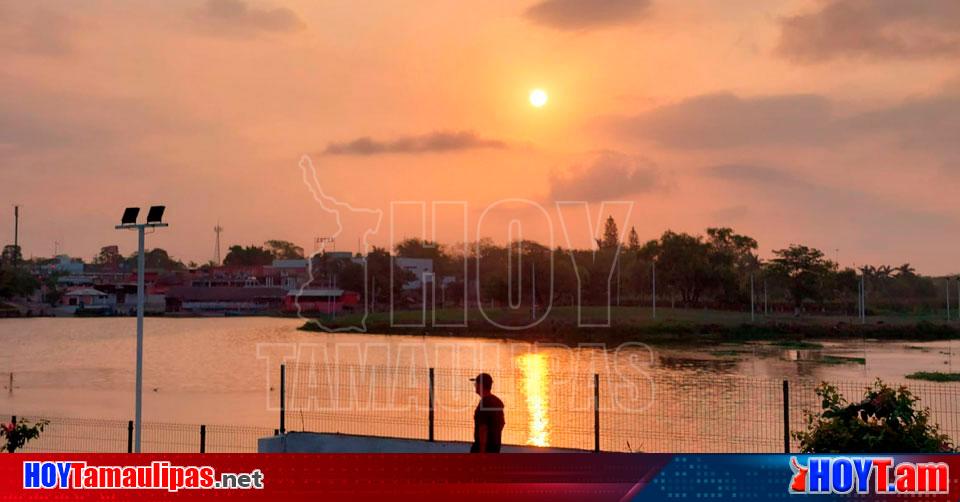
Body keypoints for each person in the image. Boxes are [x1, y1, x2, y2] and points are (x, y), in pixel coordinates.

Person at [469, 373, 504, 453]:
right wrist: (495, 436)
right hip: (495, 447)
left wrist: (482, 451)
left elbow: (483, 429)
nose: (475, 386)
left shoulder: (484, 404)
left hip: (482, 449)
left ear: (481, 385)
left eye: (476, 384)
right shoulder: (497, 402)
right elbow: (502, 423)